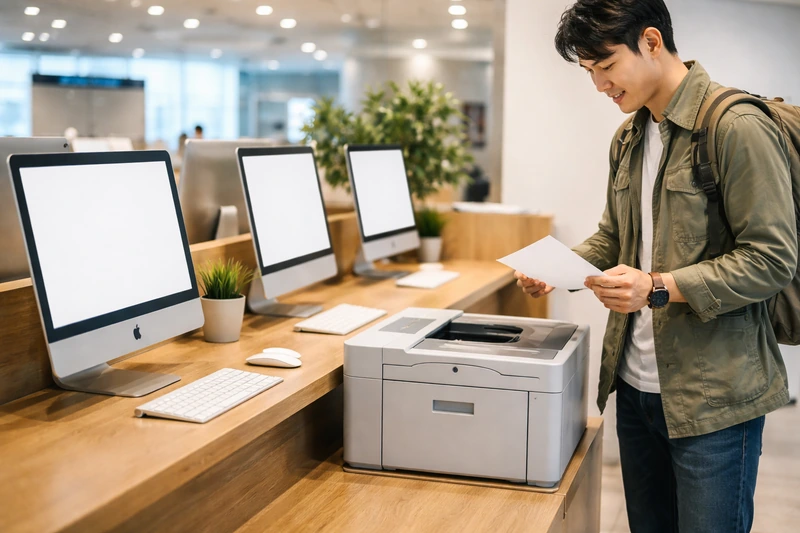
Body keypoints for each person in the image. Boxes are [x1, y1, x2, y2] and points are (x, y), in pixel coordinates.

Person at [515, 1, 795, 532]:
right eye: (588, 72)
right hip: (637, 389)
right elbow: (616, 236)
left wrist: (658, 287)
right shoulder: (629, 136)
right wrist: (561, 265)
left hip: (715, 400)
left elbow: (772, 259)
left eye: (605, 66)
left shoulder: (735, 126)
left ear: (649, 41)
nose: (599, 86)